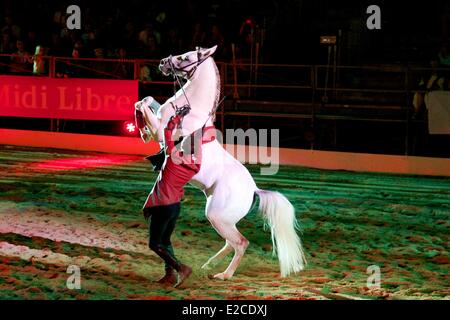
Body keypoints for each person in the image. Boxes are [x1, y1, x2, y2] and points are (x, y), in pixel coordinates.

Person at [135, 100, 204, 287]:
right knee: (165, 240)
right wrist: (197, 129)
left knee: (154, 244)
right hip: (175, 206)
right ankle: (169, 275)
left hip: (162, 205)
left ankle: (181, 269)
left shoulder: (172, 159)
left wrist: (177, 118)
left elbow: (166, 132)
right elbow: (196, 145)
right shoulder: (195, 165)